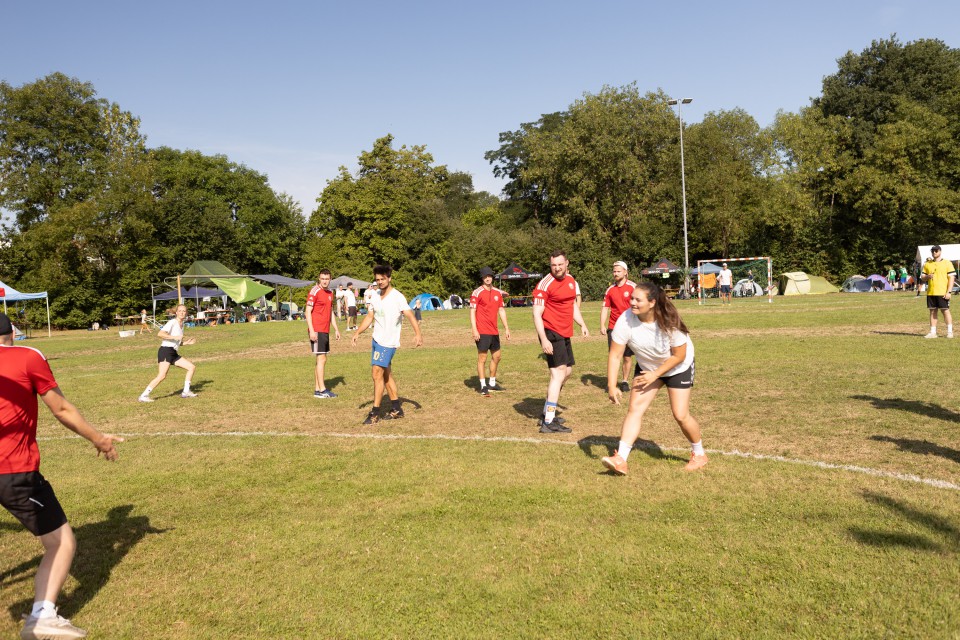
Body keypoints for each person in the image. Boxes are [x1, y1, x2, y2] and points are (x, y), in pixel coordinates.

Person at [0, 312, 123, 640]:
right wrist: (99, 438)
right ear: (11, 333)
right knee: (61, 542)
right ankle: (43, 616)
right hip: (13, 470)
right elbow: (62, 409)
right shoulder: (27, 356)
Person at [601, 282, 708, 475]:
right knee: (635, 409)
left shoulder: (669, 320)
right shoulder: (625, 319)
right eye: (631, 298)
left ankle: (699, 454)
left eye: (637, 300)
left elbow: (679, 355)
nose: (632, 302)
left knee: (680, 414)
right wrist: (611, 385)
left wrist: (656, 374)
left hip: (678, 367)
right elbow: (615, 355)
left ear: (652, 303)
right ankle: (621, 459)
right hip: (648, 367)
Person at [351, 265, 423, 424]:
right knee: (385, 375)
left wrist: (418, 334)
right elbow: (369, 316)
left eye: (382, 279)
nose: (380, 282)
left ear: (389, 278)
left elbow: (410, 315)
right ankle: (397, 409)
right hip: (376, 340)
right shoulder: (375, 296)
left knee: (376, 373)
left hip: (388, 342)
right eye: (377, 279)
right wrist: (358, 333)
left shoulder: (397, 297)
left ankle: (374, 413)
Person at [532, 250, 589, 433]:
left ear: (566, 263)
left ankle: (547, 411)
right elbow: (536, 313)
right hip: (550, 331)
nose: (557, 268)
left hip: (564, 333)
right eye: (553, 265)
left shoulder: (571, 281)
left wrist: (582, 324)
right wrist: (544, 339)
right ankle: (548, 422)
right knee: (558, 374)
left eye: (560, 264)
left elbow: (572, 305)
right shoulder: (544, 284)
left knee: (567, 372)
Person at [138, 304, 198, 402]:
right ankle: (143, 396)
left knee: (191, 367)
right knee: (162, 376)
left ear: (186, 313)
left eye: (184, 311)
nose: (182, 313)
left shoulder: (182, 324)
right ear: (176, 312)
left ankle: (186, 391)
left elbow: (176, 341)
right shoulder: (172, 322)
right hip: (165, 351)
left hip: (173, 352)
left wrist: (186, 343)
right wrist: (175, 337)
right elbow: (160, 334)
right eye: (180, 311)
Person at [470, 266, 511, 397]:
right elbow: (472, 311)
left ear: (492, 277)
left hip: (494, 331)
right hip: (482, 330)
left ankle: (492, 383)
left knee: (497, 357)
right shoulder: (477, 292)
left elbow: (501, 310)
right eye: (485, 276)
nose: (488, 278)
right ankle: (483, 386)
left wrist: (506, 328)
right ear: (482, 278)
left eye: (489, 276)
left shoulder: (497, 293)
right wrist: (474, 329)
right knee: (482, 358)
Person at [600, 260, 636, 394]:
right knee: (613, 356)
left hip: (630, 326)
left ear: (625, 272)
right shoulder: (610, 289)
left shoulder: (633, 287)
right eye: (614, 271)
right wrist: (602, 325)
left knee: (627, 357)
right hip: (613, 327)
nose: (615, 273)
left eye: (618, 271)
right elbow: (605, 308)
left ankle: (625, 381)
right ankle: (612, 384)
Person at [306, 269, 341, 398]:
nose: (325, 281)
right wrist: (312, 330)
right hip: (317, 329)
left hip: (325, 330)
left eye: (327, 279)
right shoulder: (314, 291)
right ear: (319, 278)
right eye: (322, 279)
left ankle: (317, 389)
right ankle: (322, 390)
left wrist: (336, 329)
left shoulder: (330, 293)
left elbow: (330, 312)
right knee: (322, 358)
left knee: (321, 359)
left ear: (330, 279)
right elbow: (307, 311)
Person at [922, 245, 956, 339]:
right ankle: (933, 332)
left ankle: (949, 332)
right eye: (932, 251)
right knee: (932, 311)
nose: (934, 252)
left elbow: (951, 278)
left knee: (945, 311)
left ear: (940, 251)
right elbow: (922, 277)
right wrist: (927, 276)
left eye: (936, 250)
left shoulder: (947, 263)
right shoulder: (927, 264)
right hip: (931, 292)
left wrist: (949, 292)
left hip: (942, 292)